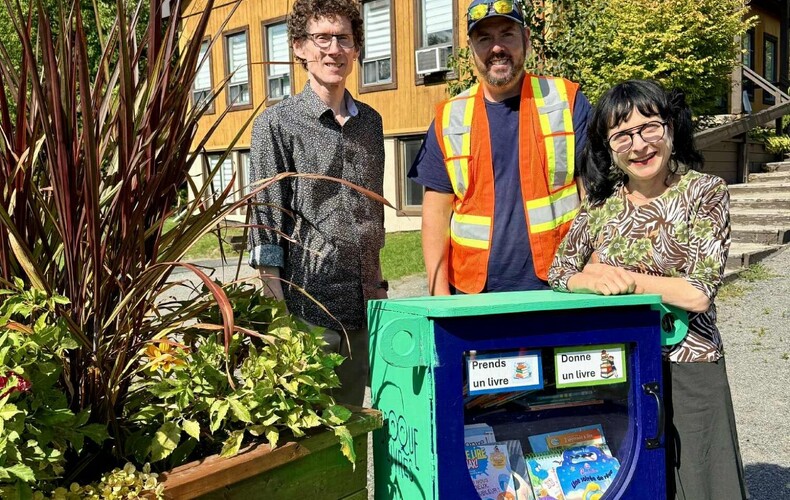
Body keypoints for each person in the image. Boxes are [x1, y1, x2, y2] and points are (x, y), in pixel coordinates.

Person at [548, 79, 748, 499]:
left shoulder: (704, 192)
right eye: (622, 135)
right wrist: (591, 278)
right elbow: (559, 270)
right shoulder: (601, 206)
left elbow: (697, 292)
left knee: (704, 480)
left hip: (690, 362)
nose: (638, 145)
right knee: (634, 478)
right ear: (609, 146)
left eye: (649, 128)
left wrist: (626, 279)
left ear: (671, 128)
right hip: (620, 364)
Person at [247, 0, 386, 406]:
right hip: (308, 313)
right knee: (318, 438)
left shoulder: (371, 123)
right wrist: (281, 322)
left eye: (343, 38)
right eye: (321, 38)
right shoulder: (277, 124)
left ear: (356, 48)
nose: (333, 49)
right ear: (299, 48)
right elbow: (266, 224)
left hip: (368, 306)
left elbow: (370, 216)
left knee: (365, 423)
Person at [408, 0, 592, 295]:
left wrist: (596, 270)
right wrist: (440, 302)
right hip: (473, 297)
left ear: (526, 39)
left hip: (561, 288)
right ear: (471, 48)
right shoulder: (450, 118)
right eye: (484, 38)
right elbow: (436, 214)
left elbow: (593, 196)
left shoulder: (567, 102)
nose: (496, 48)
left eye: (507, 34)